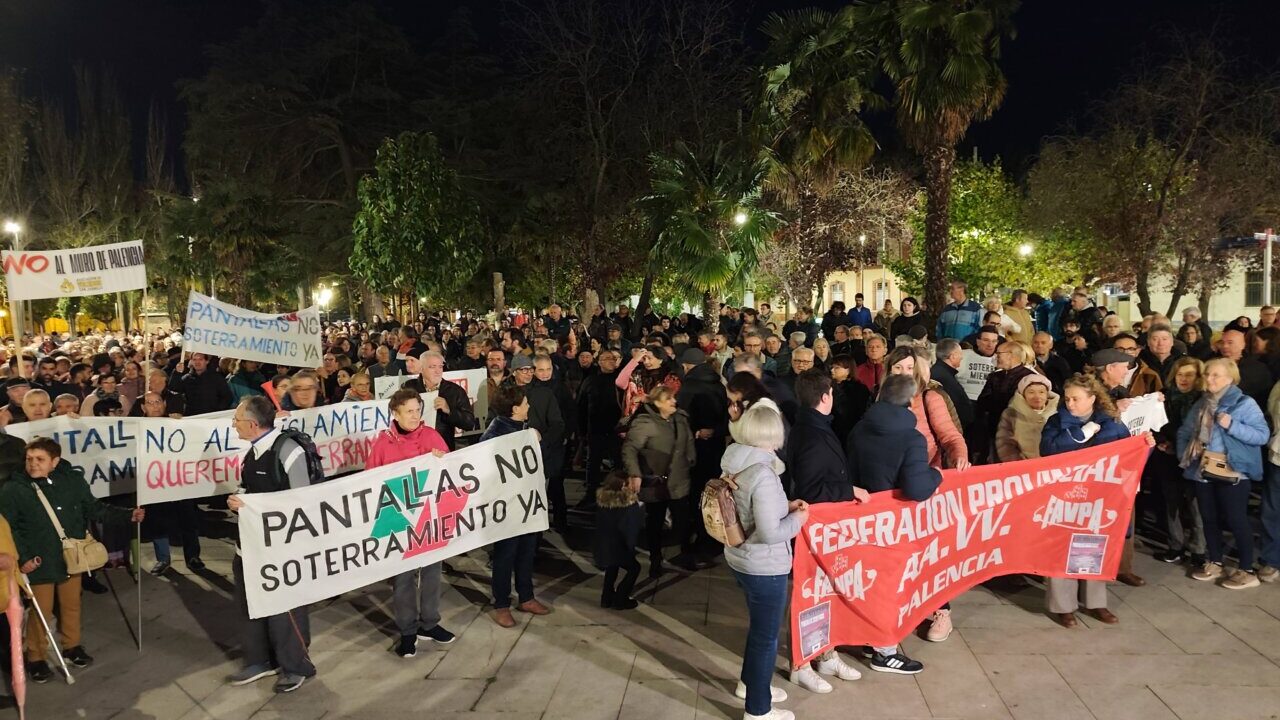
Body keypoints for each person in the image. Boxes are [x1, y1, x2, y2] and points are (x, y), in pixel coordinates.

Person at [0, 437, 144, 683]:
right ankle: (36, 657)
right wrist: (22, 558)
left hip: (71, 557)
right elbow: (8, 527)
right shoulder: (14, 489)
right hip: (38, 561)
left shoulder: (72, 481)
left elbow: (93, 508)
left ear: (55, 461)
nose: (33, 464)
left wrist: (128, 515)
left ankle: (72, 646)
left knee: (71, 605)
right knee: (40, 611)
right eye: (29, 459)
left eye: (40, 459)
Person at [846, 374, 940, 673]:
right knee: (889, 585)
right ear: (912, 401)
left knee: (866, 582)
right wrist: (937, 476)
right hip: (894, 523)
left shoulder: (860, 428)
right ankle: (885, 653)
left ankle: (866, 636)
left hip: (861, 517)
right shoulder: (911, 438)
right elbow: (917, 487)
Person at [225, 396, 317, 693]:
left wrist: (251, 505)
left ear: (252, 424)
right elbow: (248, 488)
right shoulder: (252, 454)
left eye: (236, 420)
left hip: (280, 550)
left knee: (284, 609)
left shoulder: (288, 453)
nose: (233, 424)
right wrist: (239, 499)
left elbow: (302, 501)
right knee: (250, 605)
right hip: (250, 547)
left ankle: (295, 664)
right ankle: (259, 659)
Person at [722, 403, 806, 720]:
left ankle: (749, 685)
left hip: (739, 557)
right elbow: (771, 532)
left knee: (758, 631)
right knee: (765, 638)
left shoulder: (734, 461)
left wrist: (785, 504)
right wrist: (799, 517)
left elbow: (751, 505)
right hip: (764, 565)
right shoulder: (764, 473)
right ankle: (758, 711)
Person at [786, 370, 865, 693]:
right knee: (810, 596)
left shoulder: (814, 426)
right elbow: (812, 489)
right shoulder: (812, 434)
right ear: (825, 397)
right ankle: (801, 663)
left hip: (824, 530)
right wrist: (849, 490)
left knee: (824, 594)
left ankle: (825, 653)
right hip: (813, 530)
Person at [1040, 374, 1135, 627]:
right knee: (1062, 547)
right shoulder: (1056, 421)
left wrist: (1142, 450)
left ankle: (1095, 602)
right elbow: (1047, 450)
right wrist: (1077, 435)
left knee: (1092, 546)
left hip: (1099, 494)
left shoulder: (1112, 424)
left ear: (1092, 398)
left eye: (1077, 399)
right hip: (1066, 494)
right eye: (1068, 399)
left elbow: (1128, 453)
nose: (1071, 404)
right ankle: (1063, 605)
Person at [367, 389, 455, 658]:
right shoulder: (382, 444)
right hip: (398, 519)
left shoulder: (431, 436)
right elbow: (369, 483)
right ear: (395, 413)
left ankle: (430, 623)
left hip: (429, 516)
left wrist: (443, 461)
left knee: (431, 573)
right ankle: (407, 631)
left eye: (418, 410)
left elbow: (452, 471)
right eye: (409, 411)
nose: (415, 416)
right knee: (403, 578)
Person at [1177, 358, 1269, 590]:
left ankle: (1247, 569)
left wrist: (1232, 425)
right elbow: (1184, 431)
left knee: (1236, 519)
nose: (1209, 379)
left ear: (1231, 378)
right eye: (1208, 374)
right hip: (1202, 469)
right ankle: (1215, 560)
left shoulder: (1244, 403)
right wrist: (1185, 454)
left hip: (1233, 471)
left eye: (1216, 375)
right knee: (1209, 518)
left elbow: (1261, 435)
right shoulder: (1202, 403)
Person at [481, 384, 552, 627]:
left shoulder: (523, 429)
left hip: (526, 504)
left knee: (526, 552)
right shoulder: (494, 435)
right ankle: (501, 603)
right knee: (505, 555)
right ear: (514, 408)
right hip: (508, 508)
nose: (529, 406)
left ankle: (526, 597)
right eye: (524, 403)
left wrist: (537, 441)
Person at [623, 386, 697, 577]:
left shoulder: (680, 418)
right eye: (668, 399)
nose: (674, 402)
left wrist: (690, 459)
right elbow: (630, 449)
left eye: (673, 398)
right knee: (655, 521)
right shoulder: (645, 422)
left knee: (683, 519)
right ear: (657, 403)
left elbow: (688, 441)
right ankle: (655, 558)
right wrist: (635, 473)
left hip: (679, 478)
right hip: (657, 481)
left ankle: (686, 553)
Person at [139, 392, 203, 575]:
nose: (155, 406)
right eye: (150, 403)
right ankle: (163, 559)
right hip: (155, 484)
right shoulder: (136, 427)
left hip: (180, 481)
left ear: (165, 404)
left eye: (158, 402)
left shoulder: (176, 423)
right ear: (143, 408)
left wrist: (182, 423)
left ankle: (193, 557)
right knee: (158, 523)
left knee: (188, 521)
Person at [1153, 357, 1206, 566]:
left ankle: (1199, 549)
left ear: (1198, 377)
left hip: (1193, 459)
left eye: (1189, 374)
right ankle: (1176, 545)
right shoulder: (1163, 398)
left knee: (1196, 506)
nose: (1184, 379)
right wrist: (1163, 442)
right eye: (1180, 374)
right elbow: (1155, 425)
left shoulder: (1203, 400)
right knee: (1171, 504)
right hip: (1167, 458)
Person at [883, 347, 970, 471]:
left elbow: (951, 437)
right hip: (889, 475)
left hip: (926, 474)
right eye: (898, 367)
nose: (903, 373)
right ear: (890, 370)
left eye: (909, 368)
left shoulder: (929, 397)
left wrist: (959, 457)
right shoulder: (880, 398)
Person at [578, 349, 624, 506]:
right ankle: (591, 494)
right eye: (606, 358)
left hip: (616, 429)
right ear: (599, 362)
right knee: (593, 464)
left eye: (613, 358)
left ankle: (619, 494)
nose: (611, 361)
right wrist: (582, 431)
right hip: (595, 428)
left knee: (618, 462)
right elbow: (581, 405)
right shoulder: (590, 381)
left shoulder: (621, 380)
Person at [593, 471, 643, 611]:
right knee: (634, 568)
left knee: (612, 567)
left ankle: (606, 597)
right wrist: (631, 548)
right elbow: (631, 529)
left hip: (604, 544)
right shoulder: (629, 505)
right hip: (620, 545)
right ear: (623, 486)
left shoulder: (602, 502)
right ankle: (621, 598)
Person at [994, 375, 1059, 461]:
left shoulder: (1058, 412)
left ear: (1047, 394)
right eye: (1031, 392)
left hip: (1051, 469)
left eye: (1041, 392)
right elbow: (1004, 444)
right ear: (1023, 395)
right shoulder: (1011, 414)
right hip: (1022, 468)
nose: (1037, 396)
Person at [930, 339, 975, 430]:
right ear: (953, 356)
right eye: (960, 353)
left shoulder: (941, 372)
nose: (962, 357)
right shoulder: (943, 377)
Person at [168, 352, 233, 416]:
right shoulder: (186, 379)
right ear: (191, 361)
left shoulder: (217, 378)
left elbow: (227, 397)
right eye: (194, 359)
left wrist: (216, 411)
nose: (197, 362)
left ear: (207, 361)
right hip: (192, 418)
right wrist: (177, 373)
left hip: (212, 418)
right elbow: (173, 389)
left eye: (200, 359)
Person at [829, 355, 871, 442]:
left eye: (837, 368)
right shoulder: (828, 387)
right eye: (832, 367)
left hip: (852, 433)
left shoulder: (859, 389)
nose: (832, 370)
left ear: (848, 370)